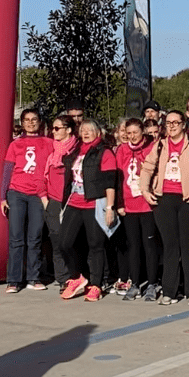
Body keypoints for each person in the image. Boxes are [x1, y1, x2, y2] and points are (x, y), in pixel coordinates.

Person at [140, 111, 189, 306]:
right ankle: (170, 291)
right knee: (170, 246)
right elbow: (147, 168)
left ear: (184, 124)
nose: (172, 126)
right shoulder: (160, 145)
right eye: (168, 123)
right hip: (165, 199)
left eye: (176, 122)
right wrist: (145, 189)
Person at [59, 120, 118, 301]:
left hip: (94, 202)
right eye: (83, 130)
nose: (85, 133)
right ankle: (77, 277)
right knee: (64, 242)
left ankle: (97, 284)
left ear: (98, 132)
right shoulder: (76, 151)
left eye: (90, 130)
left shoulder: (104, 152)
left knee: (95, 245)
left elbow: (110, 182)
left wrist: (110, 207)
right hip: (74, 201)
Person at [0, 108, 49, 293]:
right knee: (16, 238)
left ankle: (33, 277)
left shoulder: (48, 143)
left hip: (38, 195)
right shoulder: (15, 144)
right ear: (22, 123)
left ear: (39, 122)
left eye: (34, 119)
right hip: (17, 193)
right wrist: (2, 196)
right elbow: (7, 171)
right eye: (27, 120)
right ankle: (13, 280)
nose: (30, 123)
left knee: (35, 237)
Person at [116, 117, 161, 300]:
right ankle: (134, 283)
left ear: (143, 132)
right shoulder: (122, 150)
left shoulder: (151, 148)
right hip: (129, 204)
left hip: (147, 205)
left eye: (136, 132)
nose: (132, 136)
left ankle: (152, 282)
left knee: (149, 245)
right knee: (133, 246)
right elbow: (117, 178)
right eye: (129, 133)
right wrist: (119, 203)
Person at [41, 114, 78, 291]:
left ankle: (77, 275)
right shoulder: (50, 149)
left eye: (57, 128)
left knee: (72, 241)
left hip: (72, 200)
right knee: (56, 241)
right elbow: (40, 175)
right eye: (52, 128)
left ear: (69, 130)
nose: (53, 131)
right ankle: (63, 278)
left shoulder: (77, 150)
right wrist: (44, 199)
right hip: (53, 201)